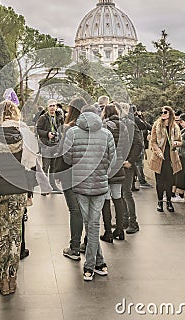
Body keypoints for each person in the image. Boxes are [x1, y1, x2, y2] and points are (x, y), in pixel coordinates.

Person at [0, 100, 37, 295]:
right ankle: (13, 278)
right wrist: (30, 192)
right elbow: (31, 167)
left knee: (1, 236)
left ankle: (2, 279)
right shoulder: (25, 136)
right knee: (16, 235)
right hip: (18, 188)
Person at [63, 105, 116, 281]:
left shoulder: (72, 133)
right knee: (93, 224)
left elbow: (67, 158)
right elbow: (113, 159)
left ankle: (90, 267)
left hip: (80, 184)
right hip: (100, 185)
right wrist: (103, 173)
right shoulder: (106, 134)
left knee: (90, 224)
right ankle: (100, 263)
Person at [55, 96, 87, 261]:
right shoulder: (94, 128)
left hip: (70, 174)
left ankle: (74, 248)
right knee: (89, 211)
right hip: (89, 174)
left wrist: (58, 173)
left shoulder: (68, 129)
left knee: (75, 210)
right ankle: (88, 244)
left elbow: (62, 153)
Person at [100, 104, 129, 243]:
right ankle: (120, 229)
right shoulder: (123, 126)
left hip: (106, 166)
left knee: (106, 199)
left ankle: (108, 231)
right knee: (118, 197)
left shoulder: (105, 126)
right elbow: (127, 145)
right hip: (119, 165)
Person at [149, 106, 182, 212]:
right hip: (159, 158)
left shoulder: (175, 127)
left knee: (169, 182)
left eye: (165, 112)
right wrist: (158, 152)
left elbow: (180, 141)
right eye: (161, 112)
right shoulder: (157, 125)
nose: (162, 114)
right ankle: (159, 202)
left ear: (170, 114)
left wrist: (176, 143)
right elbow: (153, 141)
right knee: (159, 181)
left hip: (171, 158)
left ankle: (169, 202)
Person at [117, 103, 143, 234]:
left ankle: (133, 222)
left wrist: (131, 161)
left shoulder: (130, 124)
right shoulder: (123, 123)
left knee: (126, 193)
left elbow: (138, 144)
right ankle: (125, 219)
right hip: (122, 163)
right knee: (122, 193)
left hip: (127, 164)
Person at [36, 99, 64, 193]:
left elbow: (61, 128)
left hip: (56, 144)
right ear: (47, 107)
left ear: (56, 107)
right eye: (50, 106)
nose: (52, 107)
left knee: (53, 167)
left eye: (54, 105)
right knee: (45, 166)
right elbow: (38, 129)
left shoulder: (59, 117)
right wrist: (47, 133)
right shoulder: (43, 117)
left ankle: (53, 186)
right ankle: (44, 188)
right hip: (46, 145)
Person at [172, 113, 185, 203]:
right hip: (182, 154)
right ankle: (177, 194)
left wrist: (178, 143)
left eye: (182, 122)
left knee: (181, 174)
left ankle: (181, 195)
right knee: (178, 174)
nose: (180, 124)